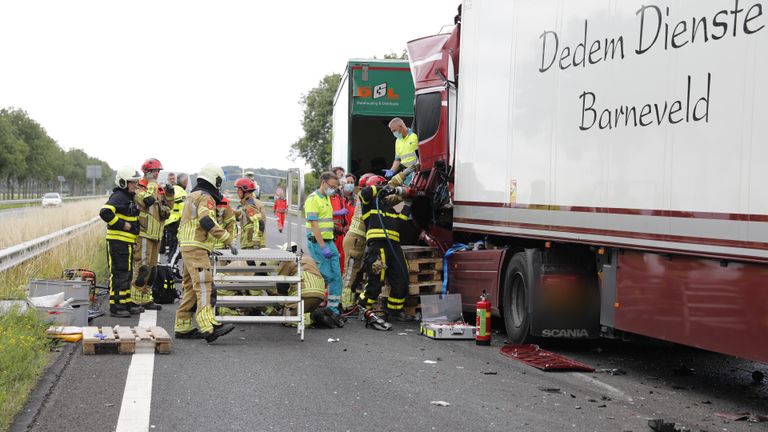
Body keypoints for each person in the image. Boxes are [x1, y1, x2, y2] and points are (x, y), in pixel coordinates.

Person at [174, 163, 237, 342]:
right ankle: (208, 327)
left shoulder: (192, 195)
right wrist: (227, 238)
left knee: (191, 288)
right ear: (213, 179)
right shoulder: (206, 197)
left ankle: (183, 326)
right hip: (196, 247)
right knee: (204, 285)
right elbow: (206, 220)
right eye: (218, 181)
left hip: (187, 246)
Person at [356, 175, 411, 330]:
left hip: (394, 245)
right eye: (382, 186)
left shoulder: (390, 206)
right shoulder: (368, 203)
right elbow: (365, 192)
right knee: (376, 280)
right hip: (377, 245)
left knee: (402, 278)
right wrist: (385, 188)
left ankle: (394, 311)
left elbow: (402, 221)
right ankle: (363, 307)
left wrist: (408, 203)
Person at [99, 166, 142, 318]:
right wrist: (124, 225)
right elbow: (105, 212)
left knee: (127, 274)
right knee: (118, 274)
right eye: (132, 182)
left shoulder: (128, 197)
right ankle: (116, 306)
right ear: (124, 183)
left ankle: (125, 301)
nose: (135, 185)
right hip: (118, 242)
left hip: (126, 243)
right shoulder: (119, 196)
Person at [130, 158, 171, 311]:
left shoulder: (157, 188)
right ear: (147, 172)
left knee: (153, 269)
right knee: (143, 267)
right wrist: (153, 185)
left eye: (158, 171)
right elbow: (147, 201)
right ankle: (134, 299)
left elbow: (168, 207)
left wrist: (169, 194)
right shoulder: (140, 187)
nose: (157, 174)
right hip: (144, 233)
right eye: (155, 171)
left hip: (157, 234)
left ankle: (146, 298)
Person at [304, 172, 343, 318]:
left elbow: (324, 219)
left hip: (329, 241)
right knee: (325, 275)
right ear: (323, 182)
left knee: (337, 276)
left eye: (335, 187)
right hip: (318, 243)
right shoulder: (312, 199)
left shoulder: (326, 197)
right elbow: (314, 225)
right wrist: (322, 247)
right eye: (331, 186)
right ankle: (311, 304)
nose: (333, 189)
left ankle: (333, 309)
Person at [274, 243, 339, 329]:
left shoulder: (287, 260)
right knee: (303, 311)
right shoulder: (310, 259)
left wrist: (282, 304)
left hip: (304, 294)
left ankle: (314, 317)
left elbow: (281, 285)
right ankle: (324, 313)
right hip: (319, 294)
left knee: (287, 318)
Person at [235, 178, 267, 250]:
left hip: (252, 246)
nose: (237, 192)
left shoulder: (250, 204)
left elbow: (259, 223)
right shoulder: (248, 203)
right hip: (251, 245)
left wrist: (256, 244)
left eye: (239, 190)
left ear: (245, 191)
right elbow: (245, 218)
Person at [385, 118, 419, 183]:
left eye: (394, 130)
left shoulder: (415, 136)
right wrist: (392, 171)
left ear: (401, 127)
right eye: (392, 131)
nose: (393, 133)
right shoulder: (398, 141)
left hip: (416, 173)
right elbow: (397, 160)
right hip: (405, 174)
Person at [164, 173, 188, 261]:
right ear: (185, 182)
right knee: (176, 250)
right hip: (176, 222)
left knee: (171, 248)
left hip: (169, 221)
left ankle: (171, 267)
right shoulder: (181, 192)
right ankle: (171, 268)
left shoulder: (172, 189)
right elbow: (184, 209)